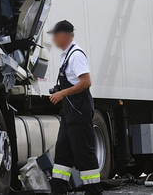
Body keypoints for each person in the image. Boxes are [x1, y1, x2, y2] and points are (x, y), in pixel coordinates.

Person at [47, 20, 103, 195]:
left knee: (84, 153)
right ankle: (59, 189)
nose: (54, 39)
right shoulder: (66, 54)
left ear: (65, 35)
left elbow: (86, 82)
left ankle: (94, 191)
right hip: (69, 114)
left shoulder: (76, 55)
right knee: (63, 152)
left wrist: (62, 93)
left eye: (56, 35)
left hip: (79, 113)